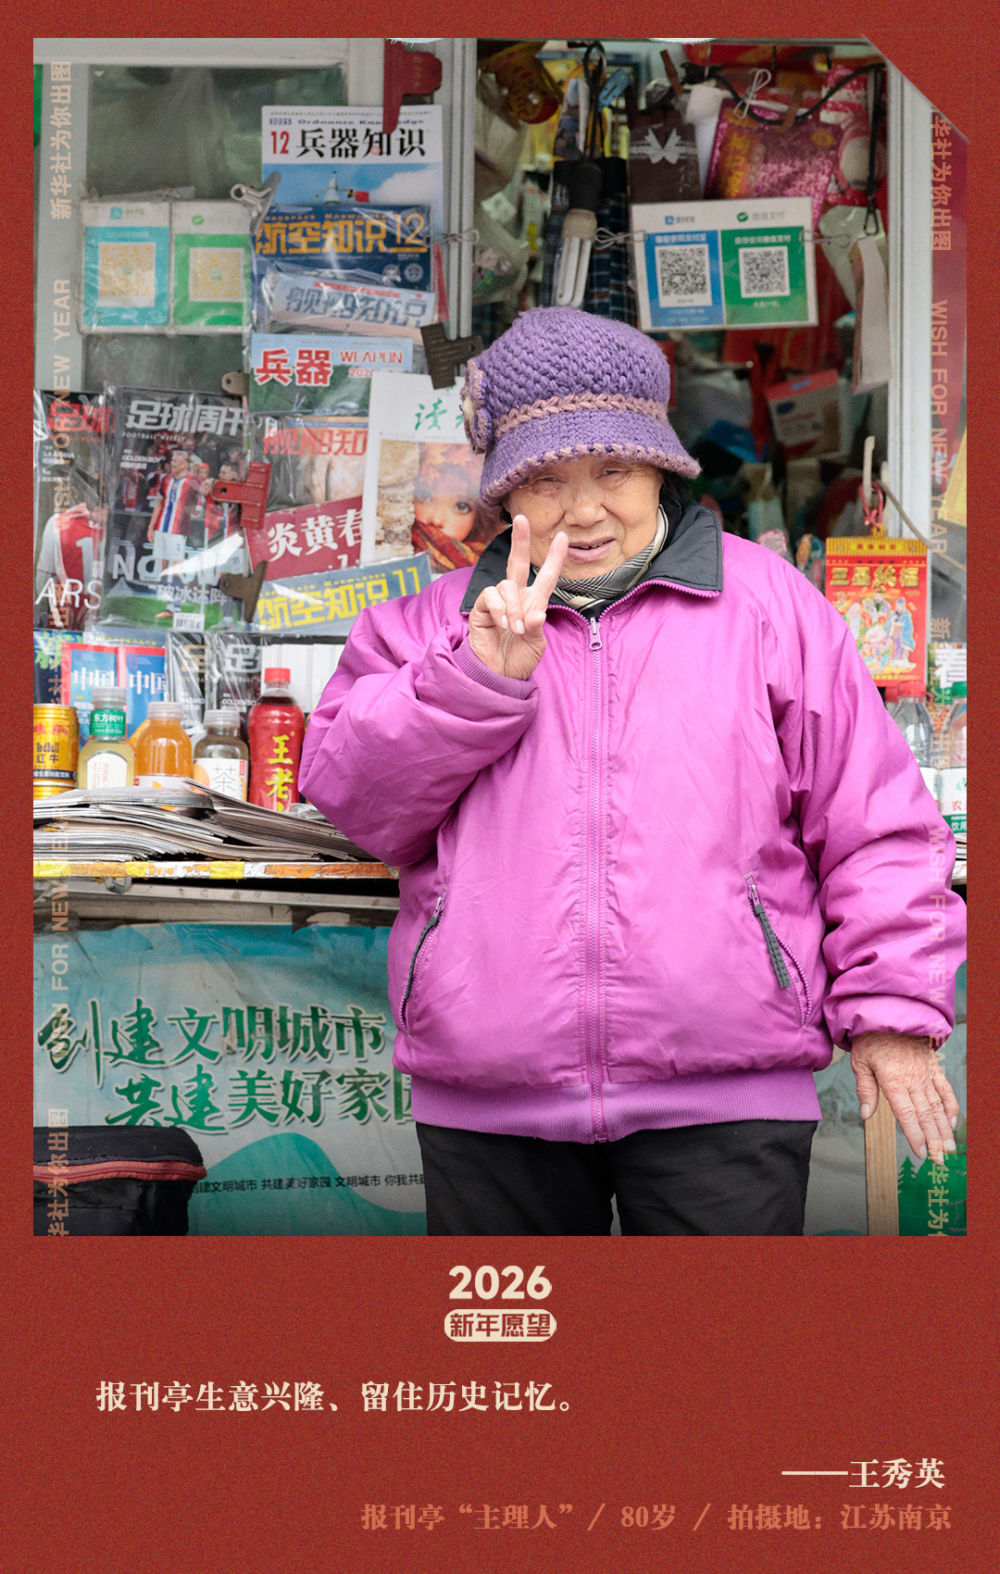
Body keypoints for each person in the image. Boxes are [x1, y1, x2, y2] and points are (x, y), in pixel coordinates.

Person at [299, 307, 965, 1236]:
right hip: (492, 1099)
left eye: (612, 469)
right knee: (517, 1336)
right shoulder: (426, 627)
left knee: (718, 1340)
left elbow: (876, 824)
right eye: (545, 479)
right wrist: (474, 680)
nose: (583, 510)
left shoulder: (770, 607)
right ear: (503, 492)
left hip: (727, 1093)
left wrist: (890, 1010)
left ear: (660, 465)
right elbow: (358, 803)